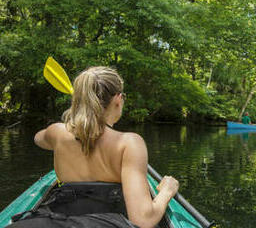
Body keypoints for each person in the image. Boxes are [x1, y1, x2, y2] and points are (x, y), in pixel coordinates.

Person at [8, 67, 179, 228]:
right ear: (118, 99)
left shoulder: (58, 132)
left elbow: (38, 138)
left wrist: (68, 127)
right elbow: (143, 219)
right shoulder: (130, 143)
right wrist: (166, 192)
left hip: (58, 218)